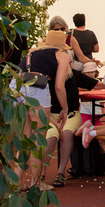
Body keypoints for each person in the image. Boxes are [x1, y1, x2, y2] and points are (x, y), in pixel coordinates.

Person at [15, 30, 71, 190]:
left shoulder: (32, 52)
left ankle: (16, 182)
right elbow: (59, 86)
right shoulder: (61, 55)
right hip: (37, 87)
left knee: (25, 139)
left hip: (16, 86)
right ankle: (36, 182)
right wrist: (65, 108)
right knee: (39, 139)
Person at [48, 62, 103, 187]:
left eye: (70, 62)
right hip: (50, 115)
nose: (71, 64)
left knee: (67, 133)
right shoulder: (48, 76)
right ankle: (41, 175)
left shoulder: (73, 75)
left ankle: (60, 173)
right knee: (51, 137)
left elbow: (96, 84)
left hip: (71, 114)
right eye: (68, 62)